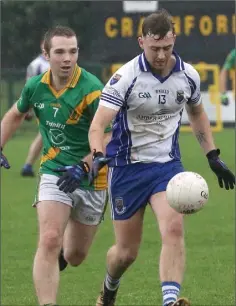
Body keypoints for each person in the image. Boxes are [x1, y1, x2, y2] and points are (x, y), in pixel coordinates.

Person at [88, 9, 235, 306]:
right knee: (126, 253)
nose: (161, 55)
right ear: (141, 41)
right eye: (154, 48)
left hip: (167, 166)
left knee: (174, 227)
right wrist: (98, 155)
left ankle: (170, 300)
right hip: (127, 169)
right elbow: (97, 125)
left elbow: (196, 112)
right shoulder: (124, 77)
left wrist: (212, 155)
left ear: (174, 40)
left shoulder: (187, 75)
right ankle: (109, 289)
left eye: (167, 48)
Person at [1, 25, 111, 306]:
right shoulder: (35, 86)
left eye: (73, 51)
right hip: (54, 170)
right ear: (45, 54)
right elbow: (15, 114)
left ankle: (63, 256)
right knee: (50, 238)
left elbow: (112, 135)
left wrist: (86, 166)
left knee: (75, 256)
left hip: (92, 177)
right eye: (60, 52)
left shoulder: (93, 89)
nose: (67, 58)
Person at [21, 38, 50, 177]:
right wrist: (29, 108)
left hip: (52, 103)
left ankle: (30, 165)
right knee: (45, 134)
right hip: (46, 104)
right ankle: (28, 165)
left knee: (45, 134)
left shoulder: (38, 63)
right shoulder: (38, 64)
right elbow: (29, 87)